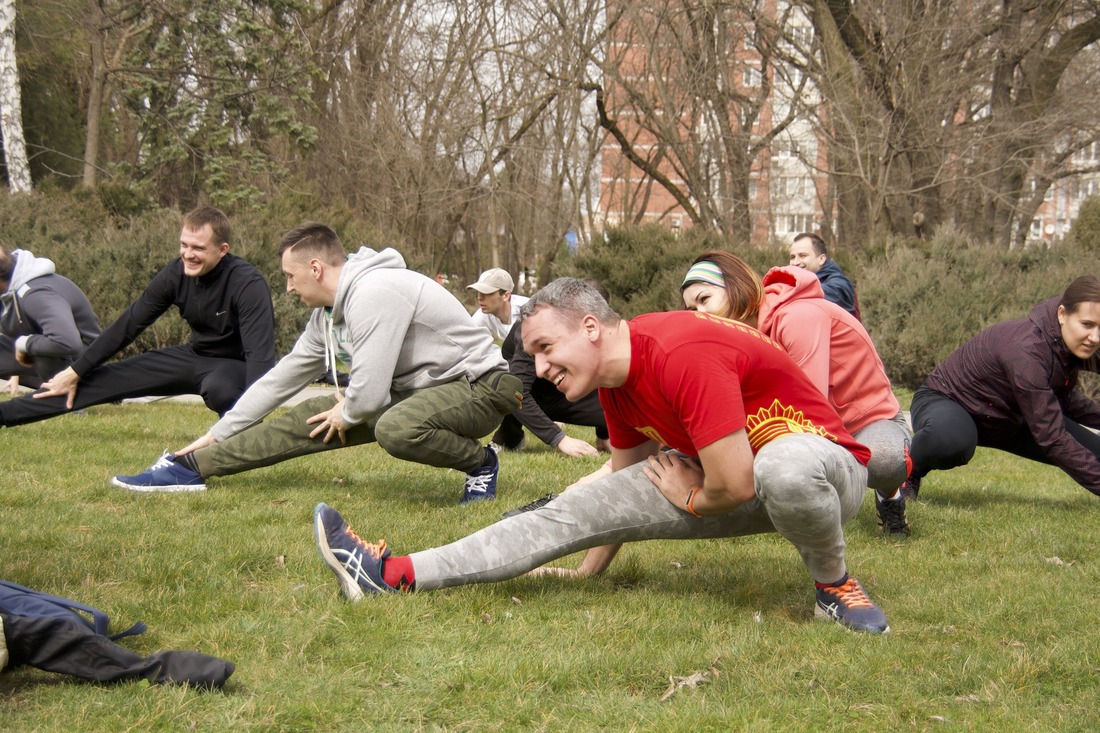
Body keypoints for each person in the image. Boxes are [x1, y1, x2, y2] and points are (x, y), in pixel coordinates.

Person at [314, 277, 890, 634]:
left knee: (781, 470)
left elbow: (735, 485)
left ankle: (834, 586)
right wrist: (585, 559)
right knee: (567, 507)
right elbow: (617, 483)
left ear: (591, 326)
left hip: (828, 474)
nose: (538, 369)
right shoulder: (616, 385)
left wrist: (690, 496)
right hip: (732, 480)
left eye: (544, 348)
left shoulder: (681, 348)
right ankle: (389, 574)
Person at [112, 222, 522, 504]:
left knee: (394, 427)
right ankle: (190, 469)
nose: (288, 287)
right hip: (424, 392)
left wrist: (349, 412)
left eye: (291, 276)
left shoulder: (375, 292)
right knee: (311, 415)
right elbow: (280, 381)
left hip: (479, 387)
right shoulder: (326, 318)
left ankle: (481, 462)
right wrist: (217, 434)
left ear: (315, 268)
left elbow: (369, 394)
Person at [680, 252, 911, 537]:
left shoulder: (798, 317)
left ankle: (890, 496)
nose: (699, 316)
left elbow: (807, 409)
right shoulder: (740, 336)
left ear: (737, 287)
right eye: (691, 310)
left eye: (705, 299)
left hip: (866, 422)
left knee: (885, 460)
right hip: (812, 423)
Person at [0, 207, 276, 427]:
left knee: (221, 389)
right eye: (184, 245)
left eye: (198, 248)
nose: (188, 254)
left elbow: (260, 357)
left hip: (231, 365)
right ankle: (5, 415)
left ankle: (238, 436)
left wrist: (252, 416)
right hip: (194, 355)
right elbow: (129, 324)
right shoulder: (175, 273)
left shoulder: (247, 284)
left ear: (223, 249)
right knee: (95, 381)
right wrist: (75, 371)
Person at [904, 275, 1100, 500]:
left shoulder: (1071, 341)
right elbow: (1052, 437)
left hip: (1009, 418)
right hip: (949, 401)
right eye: (1087, 324)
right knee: (951, 441)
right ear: (1063, 314)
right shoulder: (1027, 352)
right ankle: (907, 472)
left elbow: (1068, 401)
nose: (1095, 337)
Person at [490, 278, 610, 458]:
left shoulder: (598, 333)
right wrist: (560, 439)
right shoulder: (533, 333)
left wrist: (604, 433)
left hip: (555, 383)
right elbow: (516, 392)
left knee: (609, 395)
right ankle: (508, 437)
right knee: (513, 387)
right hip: (526, 386)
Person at [0, 246, 101, 391]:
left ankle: (70, 402)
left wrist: (24, 343)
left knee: (43, 351)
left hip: (82, 361)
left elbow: (67, 342)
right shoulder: (8, 293)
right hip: (47, 355)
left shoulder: (35, 294)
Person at [789, 233, 859, 319]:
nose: (795, 262)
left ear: (821, 259)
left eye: (803, 256)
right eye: (792, 257)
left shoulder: (839, 283)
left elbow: (832, 292)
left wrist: (788, 292)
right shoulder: (794, 283)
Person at [467, 268, 529, 341]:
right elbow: (466, 336)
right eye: (479, 292)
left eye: (487, 292)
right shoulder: (484, 314)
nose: (479, 297)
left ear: (506, 295)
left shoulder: (528, 310)